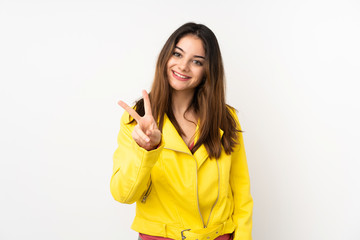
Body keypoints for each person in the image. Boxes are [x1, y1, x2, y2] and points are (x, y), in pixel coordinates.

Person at [110, 22, 253, 240]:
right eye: (178, 54)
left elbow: (241, 197)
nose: (183, 66)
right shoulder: (136, 119)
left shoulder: (225, 119)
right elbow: (123, 194)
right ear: (166, 56)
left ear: (208, 70)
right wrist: (146, 150)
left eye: (196, 61)